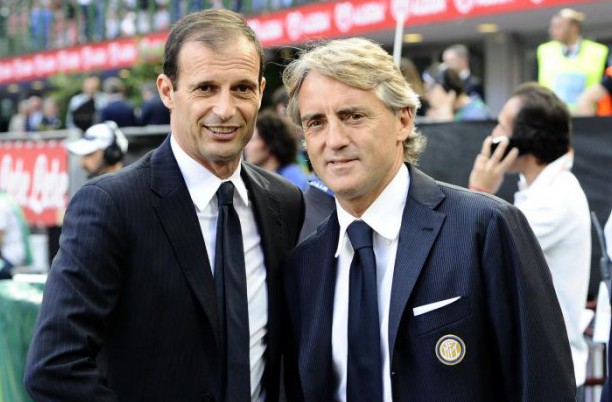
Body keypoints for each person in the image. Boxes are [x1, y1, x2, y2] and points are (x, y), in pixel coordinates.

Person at [24, 9, 304, 402]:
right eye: (205, 88)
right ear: (167, 91)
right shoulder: (111, 205)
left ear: (260, 91)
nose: (225, 109)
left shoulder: (285, 202)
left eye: (241, 88)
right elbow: (54, 367)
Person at [281, 37, 575, 402]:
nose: (334, 139)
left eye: (352, 116)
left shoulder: (486, 228)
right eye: (315, 122)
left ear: (403, 120)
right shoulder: (303, 266)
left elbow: (544, 385)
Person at [468, 82, 591, 401]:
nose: (493, 134)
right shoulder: (543, 190)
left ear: (524, 141)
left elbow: (473, 257)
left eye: (501, 127)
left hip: (549, 373)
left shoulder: (554, 201)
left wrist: (478, 192)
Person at [537, 8, 609, 111]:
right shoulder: (544, 51)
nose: (552, 31)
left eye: (558, 26)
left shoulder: (598, 52)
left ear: (574, 27)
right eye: (552, 26)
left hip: (587, 115)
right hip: (552, 115)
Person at [245, 109, 309, 191]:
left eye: (252, 139)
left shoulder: (292, 179)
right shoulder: (260, 179)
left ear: (269, 143)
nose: (246, 146)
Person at [422, 63, 491, 122]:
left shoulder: (475, 115)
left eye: (429, 91)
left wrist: (445, 113)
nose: (427, 96)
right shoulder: (458, 111)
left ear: (446, 90)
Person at [0, 192, 33, 280]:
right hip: (15, 253)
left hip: (11, 256)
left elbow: (1, 235)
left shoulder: (1, 204)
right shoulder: (6, 199)